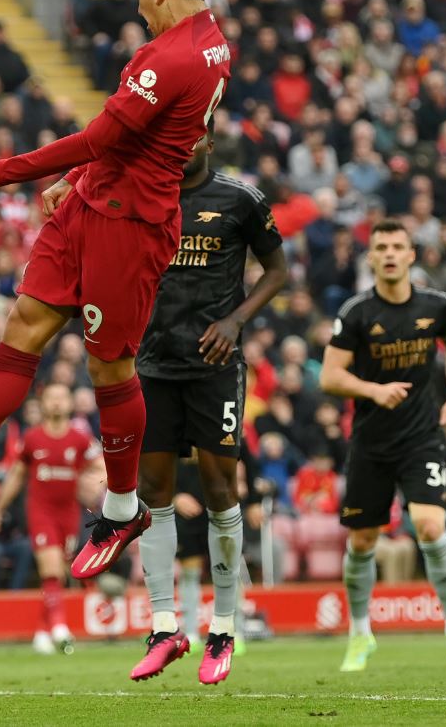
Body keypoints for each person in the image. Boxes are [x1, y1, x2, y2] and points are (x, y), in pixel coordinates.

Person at [0, 0, 233, 587]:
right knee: (23, 324)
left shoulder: (174, 56)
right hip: (91, 203)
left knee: (109, 367)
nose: (137, 7)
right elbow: (136, 137)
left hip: (131, 225)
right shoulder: (207, 44)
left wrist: (3, 172)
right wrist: (75, 180)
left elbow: (101, 136)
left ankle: (122, 508)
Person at [129, 126, 286, 684]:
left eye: (193, 137)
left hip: (216, 366)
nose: (182, 146)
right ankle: (163, 627)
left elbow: (278, 271)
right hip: (153, 363)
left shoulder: (241, 199)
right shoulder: (143, 193)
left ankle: (223, 628)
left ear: (210, 145)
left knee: (221, 490)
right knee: (153, 491)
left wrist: (236, 321)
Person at [319, 219, 446, 671]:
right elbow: (329, 376)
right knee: (362, 541)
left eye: (397, 247)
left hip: (421, 438)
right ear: (371, 258)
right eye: (381, 248)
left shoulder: (438, 307)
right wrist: (374, 391)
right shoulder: (356, 313)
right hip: (370, 442)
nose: (389, 254)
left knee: (430, 527)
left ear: (412, 255)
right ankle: (359, 634)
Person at [0, 383, 103, 655]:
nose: (57, 403)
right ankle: (60, 627)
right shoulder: (32, 438)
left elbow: (102, 468)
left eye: (62, 397)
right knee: (51, 568)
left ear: (70, 403)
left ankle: (41, 632)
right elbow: (16, 476)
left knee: (58, 573)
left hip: (69, 513)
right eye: (52, 398)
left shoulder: (81, 439)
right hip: (41, 511)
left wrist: (96, 484)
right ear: (43, 404)